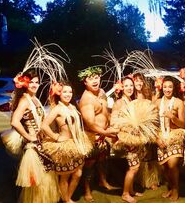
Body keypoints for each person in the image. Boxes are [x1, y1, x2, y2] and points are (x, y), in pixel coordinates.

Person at [10, 69, 59, 203]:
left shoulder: (34, 98)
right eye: (31, 82)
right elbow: (14, 121)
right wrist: (28, 136)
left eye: (36, 82)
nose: (34, 85)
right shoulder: (25, 100)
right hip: (33, 147)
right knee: (36, 183)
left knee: (45, 178)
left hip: (41, 143)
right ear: (25, 83)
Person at [41, 82, 92, 203]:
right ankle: (67, 200)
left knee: (78, 173)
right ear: (59, 94)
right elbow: (44, 125)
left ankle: (67, 198)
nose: (68, 94)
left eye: (70, 92)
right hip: (65, 145)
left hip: (77, 143)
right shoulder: (58, 109)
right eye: (65, 92)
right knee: (65, 176)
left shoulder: (73, 106)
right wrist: (56, 137)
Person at [78, 66, 119, 202]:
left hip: (104, 135)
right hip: (92, 137)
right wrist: (106, 132)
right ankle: (87, 190)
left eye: (96, 77)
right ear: (85, 82)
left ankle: (103, 181)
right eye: (90, 79)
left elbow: (105, 111)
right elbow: (90, 124)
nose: (94, 81)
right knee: (89, 165)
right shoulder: (86, 99)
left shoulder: (101, 92)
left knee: (103, 160)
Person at [111, 76, 143, 203]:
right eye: (126, 86)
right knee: (134, 167)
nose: (129, 88)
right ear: (121, 88)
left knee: (134, 165)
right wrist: (123, 133)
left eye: (131, 85)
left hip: (134, 137)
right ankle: (125, 193)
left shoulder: (131, 100)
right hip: (126, 138)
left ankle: (131, 190)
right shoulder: (119, 103)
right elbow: (113, 122)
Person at [155, 76, 185, 201]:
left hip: (175, 136)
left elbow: (182, 124)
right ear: (162, 88)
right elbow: (153, 123)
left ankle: (176, 190)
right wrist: (157, 139)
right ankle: (171, 188)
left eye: (170, 87)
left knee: (172, 165)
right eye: (165, 87)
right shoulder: (156, 102)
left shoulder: (179, 102)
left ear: (174, 88)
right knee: (165, 166)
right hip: (161, 136)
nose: (167, 89)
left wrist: (172, 117)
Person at [133, 73, 161, 191]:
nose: (138, 83)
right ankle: (142, 180)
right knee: (141, 155)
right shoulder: (131, 96)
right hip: (137, 129)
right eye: (136, 81)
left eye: (140, 81)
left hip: (149, 128)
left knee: (151, 154)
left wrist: (157, 91)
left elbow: (154, 108)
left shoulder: (148, 94)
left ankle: (153, 180)